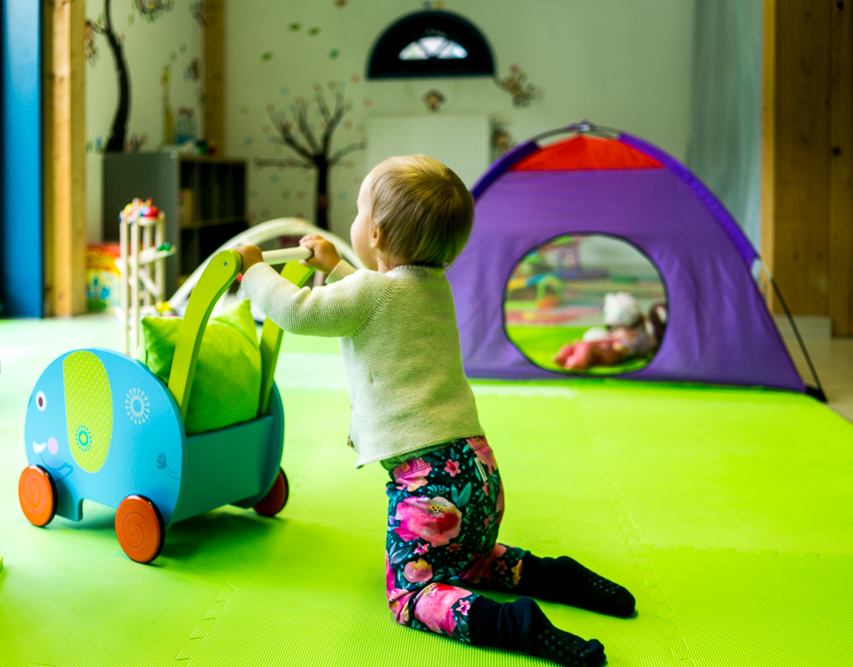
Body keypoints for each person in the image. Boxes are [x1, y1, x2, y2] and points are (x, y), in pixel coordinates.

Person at [236, 156, 634, 667]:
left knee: (410, 598)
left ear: (375, 234)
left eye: (358, 212)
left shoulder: (371, 293)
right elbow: (372, 302)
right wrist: (332, 266)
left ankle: (515, 623)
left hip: (428, 490)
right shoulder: (431, 289)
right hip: (479, 471)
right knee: (472, 559)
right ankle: (554, 575)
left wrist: (254, 272)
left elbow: (300, 311)